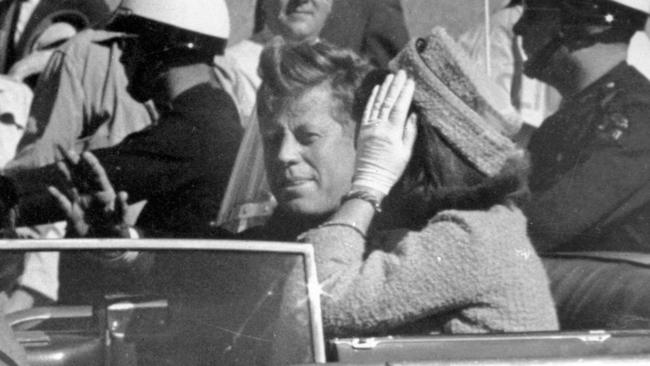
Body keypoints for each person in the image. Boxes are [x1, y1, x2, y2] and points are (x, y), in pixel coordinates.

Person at [57, 39, 558, 336]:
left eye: (308, 137)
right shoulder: (334, 228)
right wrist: (122, 249)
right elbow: (222, 276)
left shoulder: (471, 235)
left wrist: (366, 188)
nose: (281, 157)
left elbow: (321, 302)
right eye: (273, 138)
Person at [6, 0, 243, 237]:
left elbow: (91, 178)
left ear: (161, 46)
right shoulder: (215, 112)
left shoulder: (197, 127)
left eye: (130, 43)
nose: (121, 56)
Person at [515, 0, 650, 329]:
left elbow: (543, 227)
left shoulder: (638, 117)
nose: (519, 29)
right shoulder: (572, 119)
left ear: (585, 24)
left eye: (534, 15)